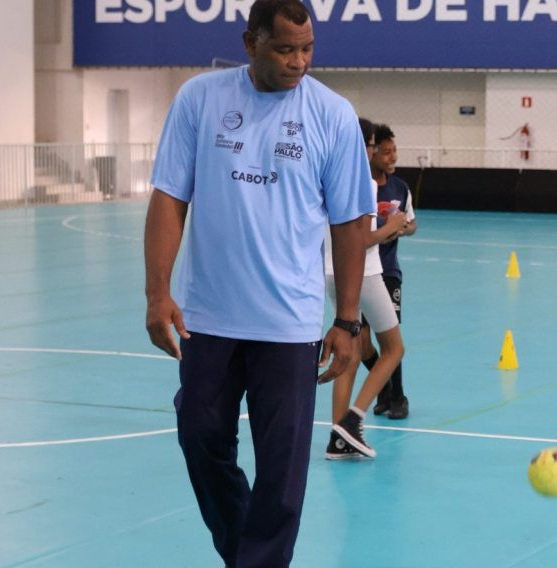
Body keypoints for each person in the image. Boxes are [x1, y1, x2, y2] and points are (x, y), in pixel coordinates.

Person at [143, 1, 374, 565]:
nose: (299, 62)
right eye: (284, 49)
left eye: (308, 49)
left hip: (288, 325)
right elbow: (170, 198)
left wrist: (346, 320)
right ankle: (247, 554)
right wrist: (157, 291)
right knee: (199, 438)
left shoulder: (333, 115)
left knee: (283, 467)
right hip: (208, 318)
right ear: (251, 43)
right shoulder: (201, 99)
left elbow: (350, 222)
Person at [322, 117, 407, 459]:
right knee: (393, 349)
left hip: (329, 272)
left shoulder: (327, 176)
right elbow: (360, 243)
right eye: (372, 144)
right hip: (364, 275)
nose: (373, 150)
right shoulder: (364, 183)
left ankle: (338, 439)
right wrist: (392, 226)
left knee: (351, 354)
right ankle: (354, 420)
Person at [363, 123, 417, 419]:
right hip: (362, 273)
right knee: (361, 344)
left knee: (389, 337)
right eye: (385, 152)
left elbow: (411, 223)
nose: (392, 157)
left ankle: (399, 398)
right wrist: (385, 229)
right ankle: (382, 387)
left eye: (394, 151)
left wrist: (402, 229)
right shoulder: (362, 187)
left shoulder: (401, 188)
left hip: (388, 273)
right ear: (371, 154)